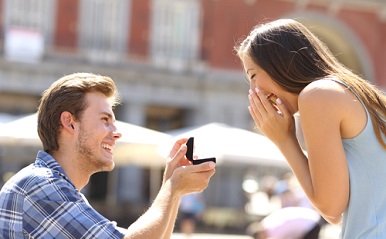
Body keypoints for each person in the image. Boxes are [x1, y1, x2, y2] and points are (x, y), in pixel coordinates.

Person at [0, 72, 216, 238]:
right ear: (69, 123)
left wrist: (173, 187)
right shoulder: (40, 186)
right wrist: (171, 188)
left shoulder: (53, 186)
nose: (117, 132)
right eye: (105, 120)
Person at [235, 19, 386, 238]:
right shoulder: (356, 94)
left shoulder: (317, 95)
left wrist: (284, 140)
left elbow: (331, 209)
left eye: (253, 76)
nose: (253, 90)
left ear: (279, 64)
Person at [246, 207, 322, 239]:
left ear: (260, 234)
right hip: (310, 218)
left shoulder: (273, 230)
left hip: (310, 224)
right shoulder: (266, 222)